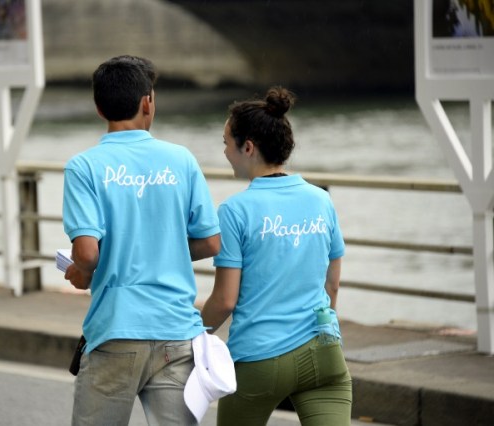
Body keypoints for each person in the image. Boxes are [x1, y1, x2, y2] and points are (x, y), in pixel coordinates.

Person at [62, 55, 221, 426]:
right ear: (148, 102)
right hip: (177, 333)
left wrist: (81, 274)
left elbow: (86, 254)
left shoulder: (84, 166)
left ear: (99, 107)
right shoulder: (181, 159)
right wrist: (163, 250)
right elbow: (211, 243)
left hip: (117, 329)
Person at [201, 86, 352, 426]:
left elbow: (225, 300)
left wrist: (194, 336)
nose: (225, 151)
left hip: (259, 358)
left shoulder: (235, 211)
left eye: (226, 142)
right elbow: (333, 284)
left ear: (248, 147)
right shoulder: (320, 200)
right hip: (324, 352)